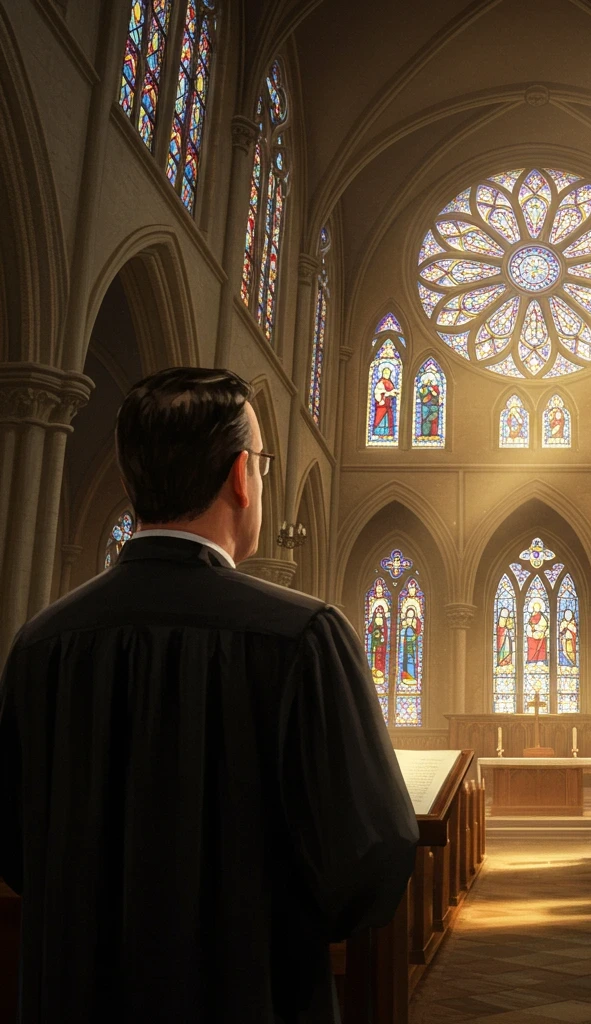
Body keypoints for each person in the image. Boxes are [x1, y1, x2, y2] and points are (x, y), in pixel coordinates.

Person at [0, 368, 418, 1023]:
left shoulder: (40, 643)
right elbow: (371, 859)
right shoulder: (303, 637)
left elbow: (16, 851)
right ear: (240, 477)